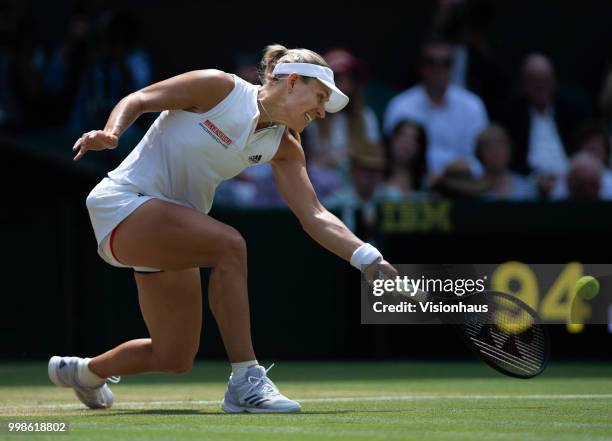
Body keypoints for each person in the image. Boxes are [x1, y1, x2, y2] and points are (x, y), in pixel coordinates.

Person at [47, 44, 397, 414]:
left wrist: (370, 260)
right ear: (293, 81)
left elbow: (315, 215)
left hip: (171, 230)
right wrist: (112, 133)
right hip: (123, 205)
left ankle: (85, 372)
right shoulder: (218, 88)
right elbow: (140, 98)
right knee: (230, 245)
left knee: (174, 356)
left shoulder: (285, 147)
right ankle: (246, 380)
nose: (322, 112)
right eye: (321, 96)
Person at [383, 36, 489, 178]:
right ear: (421, 67)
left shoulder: (473, 105)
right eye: (431, 62)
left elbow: (481, 158)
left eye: (446, 63)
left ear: (453, 67)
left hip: (464, 185)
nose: (438, 69)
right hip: (415, 185)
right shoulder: (400, 106)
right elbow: (392, 158)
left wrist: (450, 170)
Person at [475, 125, 537, 200]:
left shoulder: (527, 188)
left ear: (509, 148)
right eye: (489, 146)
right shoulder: (470, 190)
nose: (495, 151)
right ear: (479, 152)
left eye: (500, 144)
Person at [375, 120, 428, 200]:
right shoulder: (375, 175)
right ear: (392, 140)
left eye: (413, 139)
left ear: (420, 148)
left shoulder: (425, 184)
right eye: (402, 136)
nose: (406, 143)